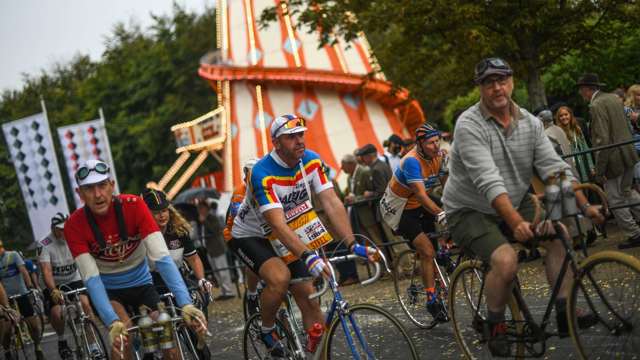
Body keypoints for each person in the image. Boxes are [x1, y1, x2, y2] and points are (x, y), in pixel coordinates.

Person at [443, 58, 604, 356]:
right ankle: (495, 324)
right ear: (480, 88)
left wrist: (583, 206)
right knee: (505, 261)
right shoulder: (468, 125)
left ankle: (563, 310)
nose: (497, 87)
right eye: (489, 82)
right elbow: (487, 180)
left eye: (502, 80)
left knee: (561, 234)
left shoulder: (529, 123)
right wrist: (516, 223)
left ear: (512, 82)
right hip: (469, 208)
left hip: (515, 199)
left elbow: (553, 169)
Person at [229, 114, 377, 356]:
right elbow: (276, 225)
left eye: (301, 134)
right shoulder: (261, 173)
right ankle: (266, 329)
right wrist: (308, 256)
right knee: (279, 278)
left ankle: (318, 353)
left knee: (309, 297)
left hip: (289, 227)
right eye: (291, 137)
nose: (299, 141)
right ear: (276, 143)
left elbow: (331, 202)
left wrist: (352, 244)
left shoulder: (311, 160)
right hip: (252, 234)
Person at [64, 159, 207, 360]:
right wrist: (112, 321)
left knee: (168, 336)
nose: (98, 195)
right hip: (109, 291)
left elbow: (162, 259)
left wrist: (185, 304)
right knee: (123, 340)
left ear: (112, 185)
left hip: (142, 285)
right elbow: (91, 278)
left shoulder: (134, 206)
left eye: (102, 185)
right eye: (89, 188)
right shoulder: (74, 225)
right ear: (79, 193)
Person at [380, 123, 449, 322]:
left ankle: (444, 251)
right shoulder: (411, 161)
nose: (436, 146)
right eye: (430, 143)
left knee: (452, 211)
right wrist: (439, 214)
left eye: (438, 141)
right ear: (419, 144)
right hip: (401, 208)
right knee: (427, 251)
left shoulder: (439, 155)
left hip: (419, 202)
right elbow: (419, 194)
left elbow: (447, 188)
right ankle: (431, 298)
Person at [577, 73, 640, 249]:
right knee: (627, 193)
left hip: (614, 159)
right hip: (628, 153)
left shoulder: (596, 105)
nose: (581, 94)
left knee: (615, 199)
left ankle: (634, 234)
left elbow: (602, 140)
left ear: (587, 89)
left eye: (581, 90)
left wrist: (600, 169)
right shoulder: (613, 99)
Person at [38, 212, 99, 359]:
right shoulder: (45, 243)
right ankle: (62, 340)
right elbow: (46, 271)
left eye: (65, 228)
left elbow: (86, 259)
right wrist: (53, 290)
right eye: (60, 229)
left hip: (73, 277)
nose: (63, 231)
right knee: (57, 313)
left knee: (85, 305)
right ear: (53, 228)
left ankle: (93, 345)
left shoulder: (74, 234)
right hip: (54, 282)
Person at [141, 189, 213, 301]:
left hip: (177, 276)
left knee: (194, 304)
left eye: (164, 210)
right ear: (146, 213)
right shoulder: (140, 235)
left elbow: (194, 259)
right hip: (152, 281)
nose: (162, 215)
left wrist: (201, 280)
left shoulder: (179, 231)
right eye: (156, 212)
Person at [224, 158, 262, 315]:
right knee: (253, 261)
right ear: (246, 177)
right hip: (236, 233)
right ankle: (252, 295)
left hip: (259, 230)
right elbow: (240, 217)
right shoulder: (240, 192)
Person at [0, 239, 43, 359]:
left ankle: (37, 347)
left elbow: (23, 271)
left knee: (33, 325)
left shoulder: (13, 255)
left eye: (1, 248)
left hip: (22, 294)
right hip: (5, 298)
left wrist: (30, 287)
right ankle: (7, 350)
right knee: (6, 329)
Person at [196, 200, 235, 300]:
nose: (200, 210)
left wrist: (204, 221)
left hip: (217, 248)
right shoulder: (201, 219)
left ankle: (228, 291)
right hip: (209, 249)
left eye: (201, 208)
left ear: (206, 208)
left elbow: (215, 230)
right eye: (199, 208)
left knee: (223, 270)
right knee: (216, 271)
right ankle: (223, 291)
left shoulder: (211, 217)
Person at [554, 105, 595, 183]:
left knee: (588, 187)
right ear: (558, 118)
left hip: (583, 163)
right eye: (561, 116)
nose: (564, 117)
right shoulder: (558, 133)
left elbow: (585, 148)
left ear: (570, 115)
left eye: (566, 114)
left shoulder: (577, 129)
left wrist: (591, 166)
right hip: (571, 165)